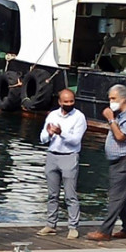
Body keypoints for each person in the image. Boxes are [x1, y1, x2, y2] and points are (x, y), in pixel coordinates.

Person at [86, 84, 126, 241]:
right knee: (121, 196)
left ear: (123, 98)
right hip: (117, 160)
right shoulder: (121, 114)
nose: (110, 101)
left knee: (115, 196)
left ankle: (105, 231)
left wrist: (110, 119)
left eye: (113, 98)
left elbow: (120, 136)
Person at [36, 89, 87, 239]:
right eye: (66, 102)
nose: (69, 104)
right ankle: (51, 224)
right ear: (59, 102)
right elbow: (43, 138)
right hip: (52, 155)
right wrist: (49, 134)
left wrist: (61, 132)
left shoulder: (79, 117)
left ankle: (73, 226)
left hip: (69, 156)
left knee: (70, 195)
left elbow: (76, 140)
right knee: (52, 194)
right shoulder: (52, 115)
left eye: (71, 101)